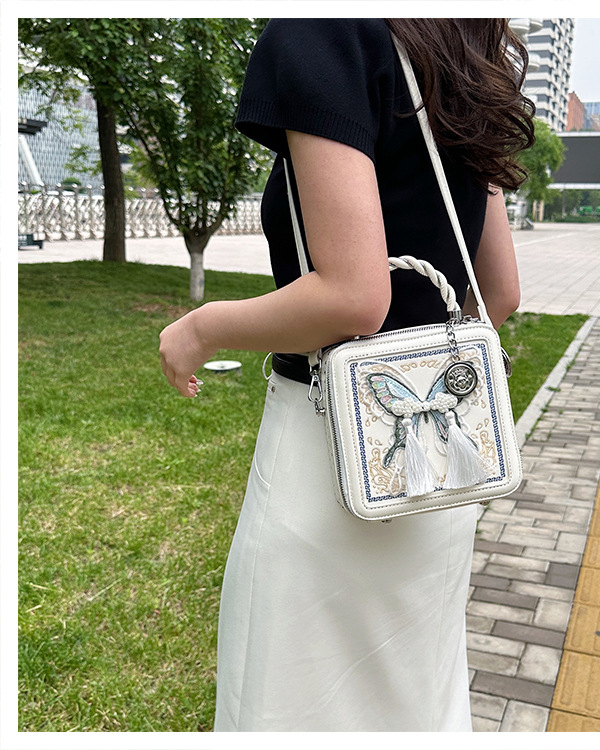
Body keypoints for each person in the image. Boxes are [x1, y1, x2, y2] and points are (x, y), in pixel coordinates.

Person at [159, 18, 534, 731]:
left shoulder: (322, 29)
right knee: (418, 707)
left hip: (329, 461)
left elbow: (354, 297)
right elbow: (499, 294)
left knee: (288, 707)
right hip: (444, 471)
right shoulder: (464, 47)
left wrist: (201, 329)